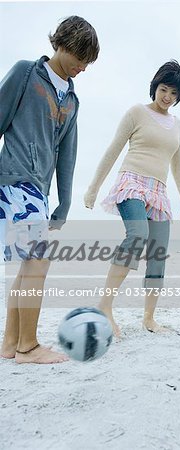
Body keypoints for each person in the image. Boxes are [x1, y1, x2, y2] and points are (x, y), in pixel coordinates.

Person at [0, 16, 99, 363]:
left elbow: (67, 155)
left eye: (87, 63)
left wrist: (65, 201)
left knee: (29, 265)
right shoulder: (26, 74)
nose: (82, 67)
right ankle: (29, 346)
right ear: (62, 44)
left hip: (38, 190)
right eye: (80, 58)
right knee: (38, 262)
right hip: (13, 179)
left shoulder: (71, 100)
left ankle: (11, 344)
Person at [84, 60, 180, 337]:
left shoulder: (178, 125)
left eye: (173, 94)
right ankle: (104, 307)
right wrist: (93, 188)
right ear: (155, 87)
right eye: (163, 89)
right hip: (132, 182)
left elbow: (177, 167)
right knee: (138, 235)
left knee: (157, 255)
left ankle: (149, 318)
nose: (167, 97)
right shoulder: (136, 113)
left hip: (159, 191)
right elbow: (113, 150)